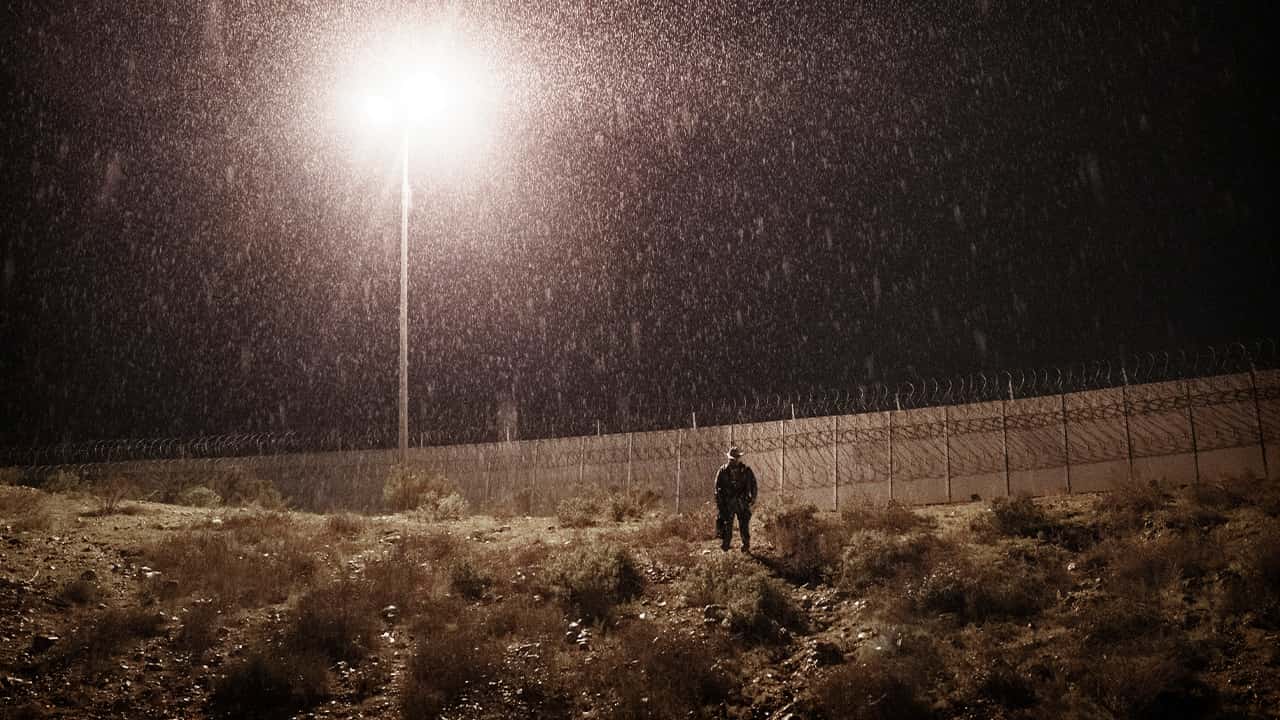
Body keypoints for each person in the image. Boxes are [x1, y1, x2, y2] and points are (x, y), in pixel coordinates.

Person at [715, 446, 758, 552]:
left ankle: (745, 545)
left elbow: (753, 485)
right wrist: (720, 504)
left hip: (742, 502)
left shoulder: (746, 470)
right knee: (727, 525)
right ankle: (725, 545)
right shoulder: (722, 471)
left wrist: (753, 498)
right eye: (732, 459)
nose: (733, 461)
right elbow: (717, 488)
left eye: (735, 458)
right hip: (727, 503)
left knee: (744, 525)